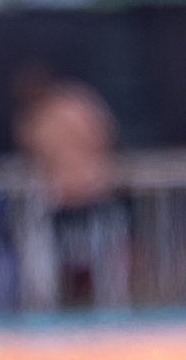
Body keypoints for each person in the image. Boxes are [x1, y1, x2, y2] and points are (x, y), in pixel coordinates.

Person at [12, 66, 129, 309]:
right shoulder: (32, 121)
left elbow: (104, 138)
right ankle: (55, 299)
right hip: (62, 198)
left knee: (103, 254)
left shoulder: (73, 108)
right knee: (54, 252)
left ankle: (109, 301)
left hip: (91, 191)